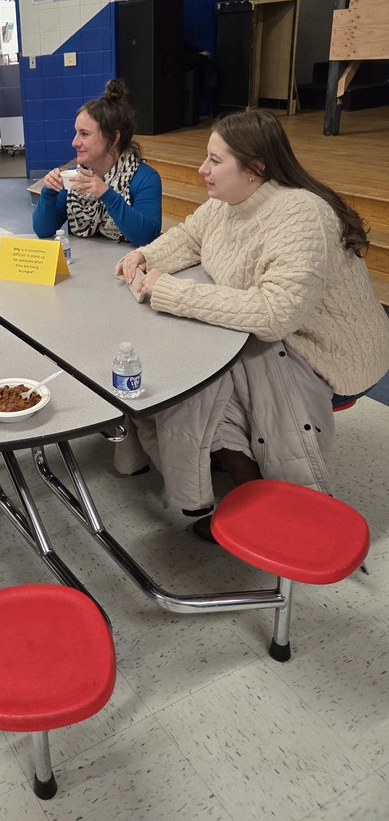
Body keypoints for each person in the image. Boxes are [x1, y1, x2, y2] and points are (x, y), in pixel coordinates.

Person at [114, 108, 389, 537]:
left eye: (215, 160)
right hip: (280, 329)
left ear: (256, 168)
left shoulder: (300, 215)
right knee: (199, 368)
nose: (202, 169)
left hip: (325, 348)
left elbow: (274, 314)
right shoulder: (228, 202)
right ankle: (222, 466)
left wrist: (168, 291)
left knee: (206, 387)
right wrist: (147, 256)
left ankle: (264, 503)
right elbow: (190, 236)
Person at [33, 79, 162, 246]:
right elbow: (43, 231)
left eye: (84, 134)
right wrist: (48, 193)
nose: (74, 142)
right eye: (76, 133)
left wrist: (106, 194)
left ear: (113, 138)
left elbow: (146, 237)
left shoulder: (145, 178)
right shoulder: (75, 176)